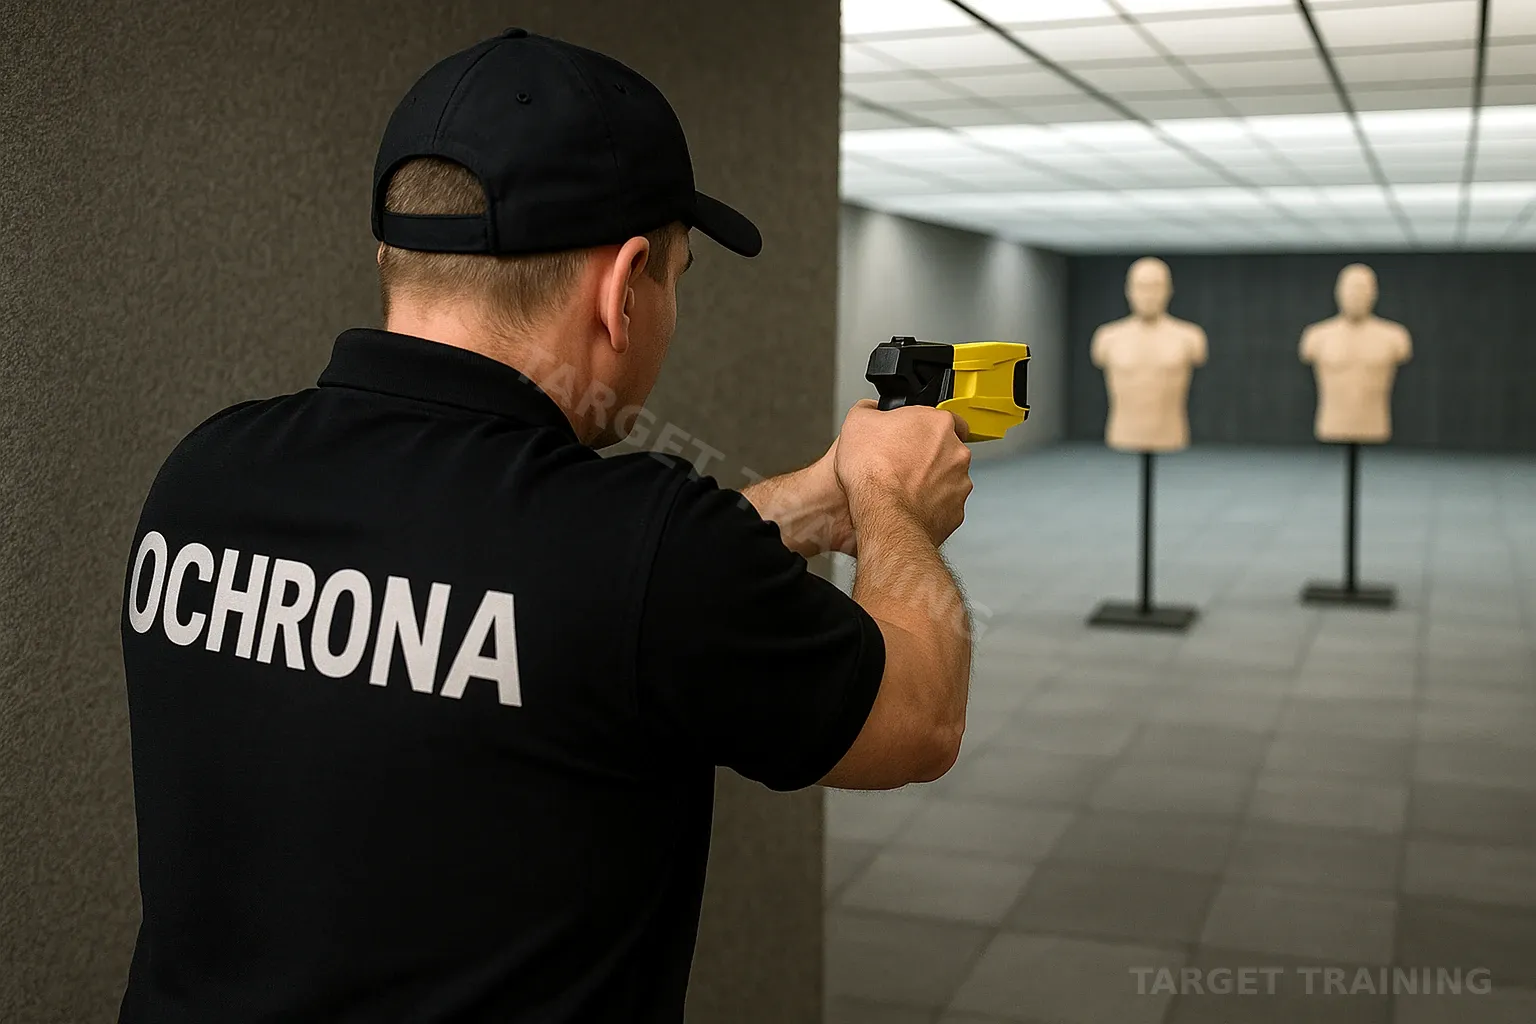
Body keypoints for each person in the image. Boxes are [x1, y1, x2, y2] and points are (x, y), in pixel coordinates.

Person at [117, 29, 973, 1024]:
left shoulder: (206, 473)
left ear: (393, 254)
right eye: (677, 277)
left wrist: (796, 509)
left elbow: (556, 599)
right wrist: (892, 499)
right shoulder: (640, 549)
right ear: (622, 287)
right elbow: (920, 716)